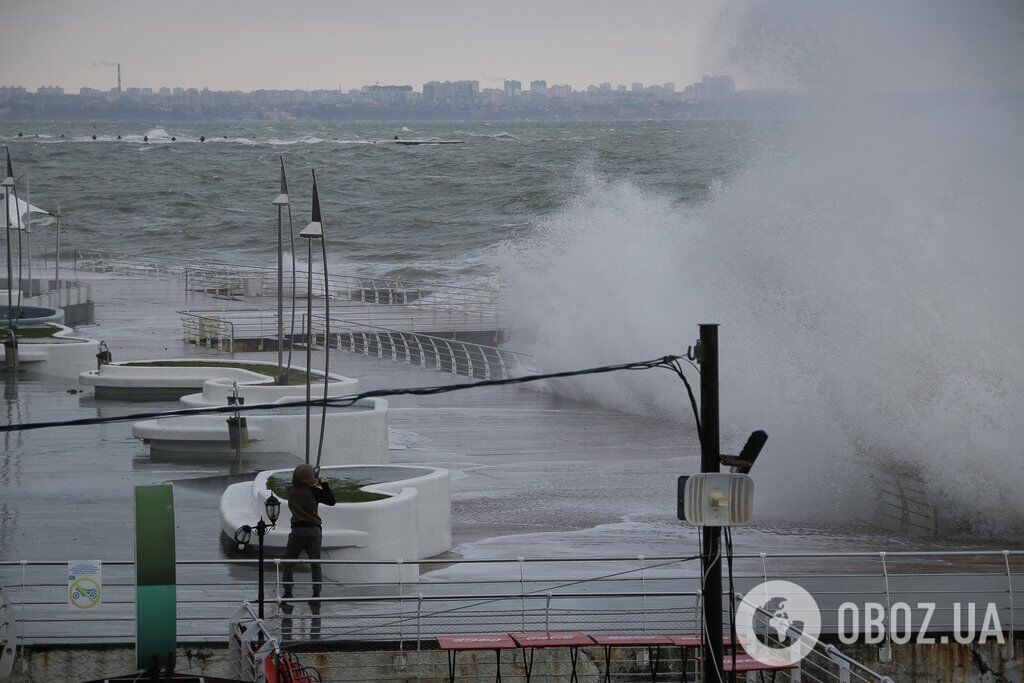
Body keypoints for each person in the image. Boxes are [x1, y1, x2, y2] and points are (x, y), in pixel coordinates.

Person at [281, 464, 335, 624]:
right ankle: (316, 596)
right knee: (315, 564)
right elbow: (331, 501)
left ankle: (288, 594)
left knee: (288, 563)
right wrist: (324, 483)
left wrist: (312, 482)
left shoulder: (291, 491)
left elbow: (301, 485)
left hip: (297, 531)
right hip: (313, 531)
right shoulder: (314, 491)